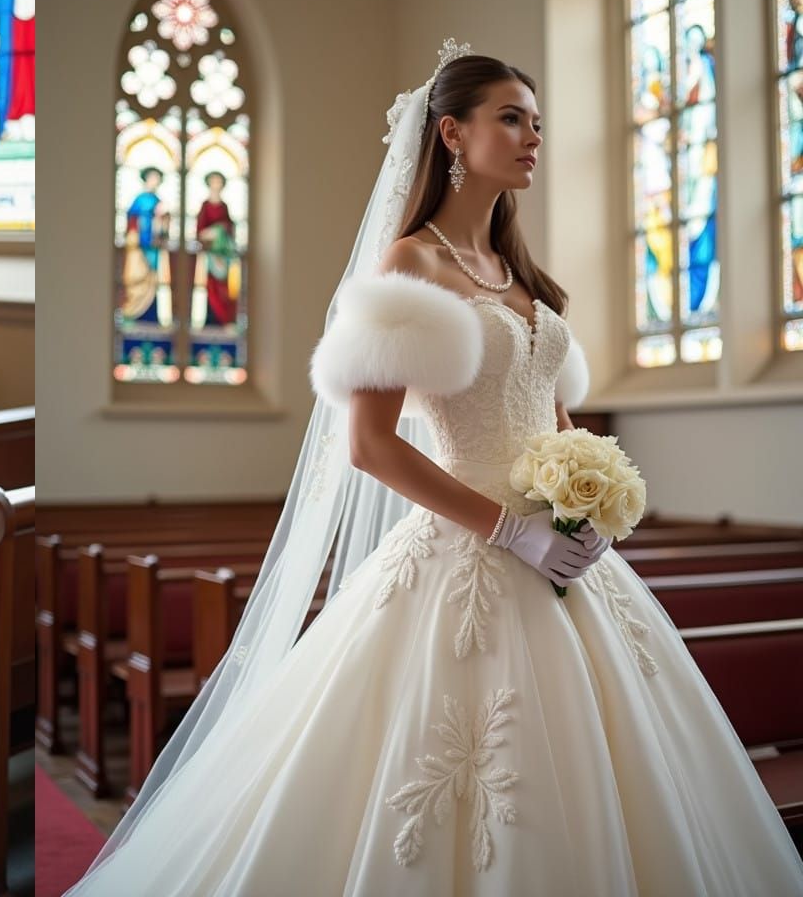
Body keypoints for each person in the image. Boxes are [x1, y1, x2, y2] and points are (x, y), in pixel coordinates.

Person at [69, 45, 803, 896]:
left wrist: (587, 499)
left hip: (567, 559)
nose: (533, 135)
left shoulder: (524, 277)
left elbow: (556, 420)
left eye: (536, 120)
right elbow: (371, 446)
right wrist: (509, 530)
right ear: (452, 132)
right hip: (471, 552)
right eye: (511, 117)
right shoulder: (409, 264)